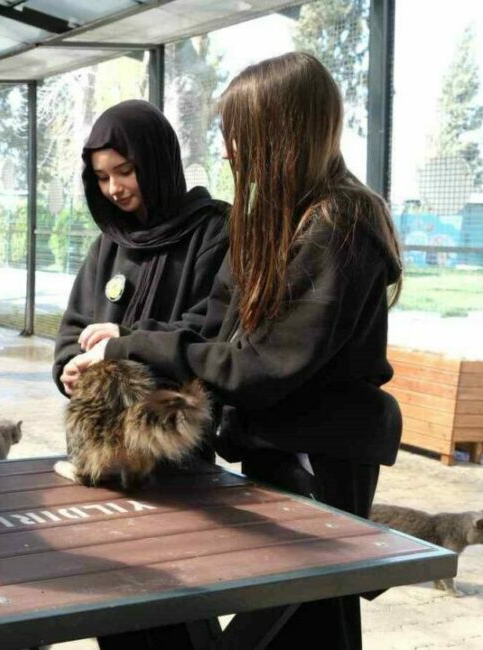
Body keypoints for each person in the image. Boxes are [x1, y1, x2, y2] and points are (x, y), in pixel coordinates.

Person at [63, 52, 403, 650]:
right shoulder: (282, 217)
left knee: (304, 623)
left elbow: (261, 367)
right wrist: (119, 352)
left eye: (238, 135)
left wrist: (130, 345)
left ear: (282, 134)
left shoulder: (338, 225)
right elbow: (221, 332)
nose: (227, 152)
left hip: (318, 461)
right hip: (277, 451)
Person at [54, 100, 230, 397]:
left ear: (156, 163)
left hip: (174, 413)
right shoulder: (109, 243)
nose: (113, 188)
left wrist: (127, 341)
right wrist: (70, 366)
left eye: (125, 171)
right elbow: (75, 324)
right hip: (105, 414)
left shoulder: (213, 231)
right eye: (102, 178)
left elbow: (210, 326)